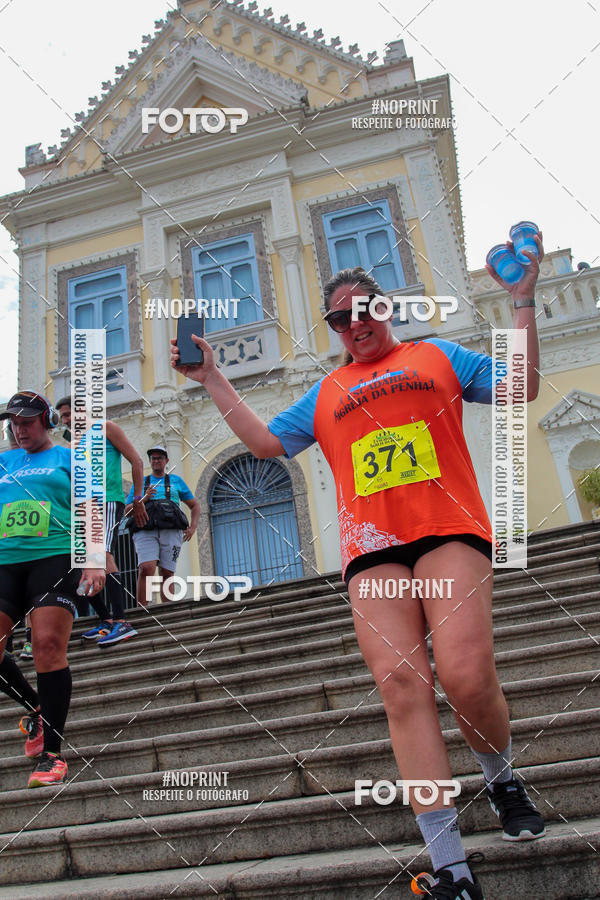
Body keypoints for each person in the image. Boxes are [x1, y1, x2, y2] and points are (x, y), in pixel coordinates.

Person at [170, 234, 547, 899]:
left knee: (464, 676)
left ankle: (499, 777)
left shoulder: (437, 355)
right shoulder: (325, 392)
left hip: (448, 531)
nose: (355, 323)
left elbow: (520, 388)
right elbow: (264, 443)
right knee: (402, 686)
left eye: (365, 308)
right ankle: (451, 869)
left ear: (387, 307)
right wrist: (211, 378)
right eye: (340, 318)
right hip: (370, 549)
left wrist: (520, 302)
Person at [0, 391, 105, 786]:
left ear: (47, 421)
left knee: (45, 645)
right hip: (4, 561)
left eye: (27, 421)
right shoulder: (3, 461)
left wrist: (95, 559)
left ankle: (52, 755)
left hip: (54, 557)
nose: (19, 429)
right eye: (14, 422)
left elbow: (91, 508)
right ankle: (37, 707)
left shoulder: (68, 457)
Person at [55, 398, 146, 646]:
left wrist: (137, 499)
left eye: (67, 414)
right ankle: (106, 620)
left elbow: (136, 462)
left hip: (107, 500)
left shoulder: (107, 427)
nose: (64, 420)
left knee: (103, 557)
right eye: (62, 417)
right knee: (78, 563)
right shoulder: (73, 443)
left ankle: (121, 621)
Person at [124, 446, 199, 606]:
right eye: (153, 458)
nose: (156, 461)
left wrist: (192, 527)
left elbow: (194, 505)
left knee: (167, 572)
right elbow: (127, 511)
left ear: (166, 461)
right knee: (146, 567)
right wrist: (144, 498)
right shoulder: (142, 482)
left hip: (171, 529)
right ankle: (142, 608)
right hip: (145, 529)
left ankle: (167, 610)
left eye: (160, 458)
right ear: (150, 462)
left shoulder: (176, 481)